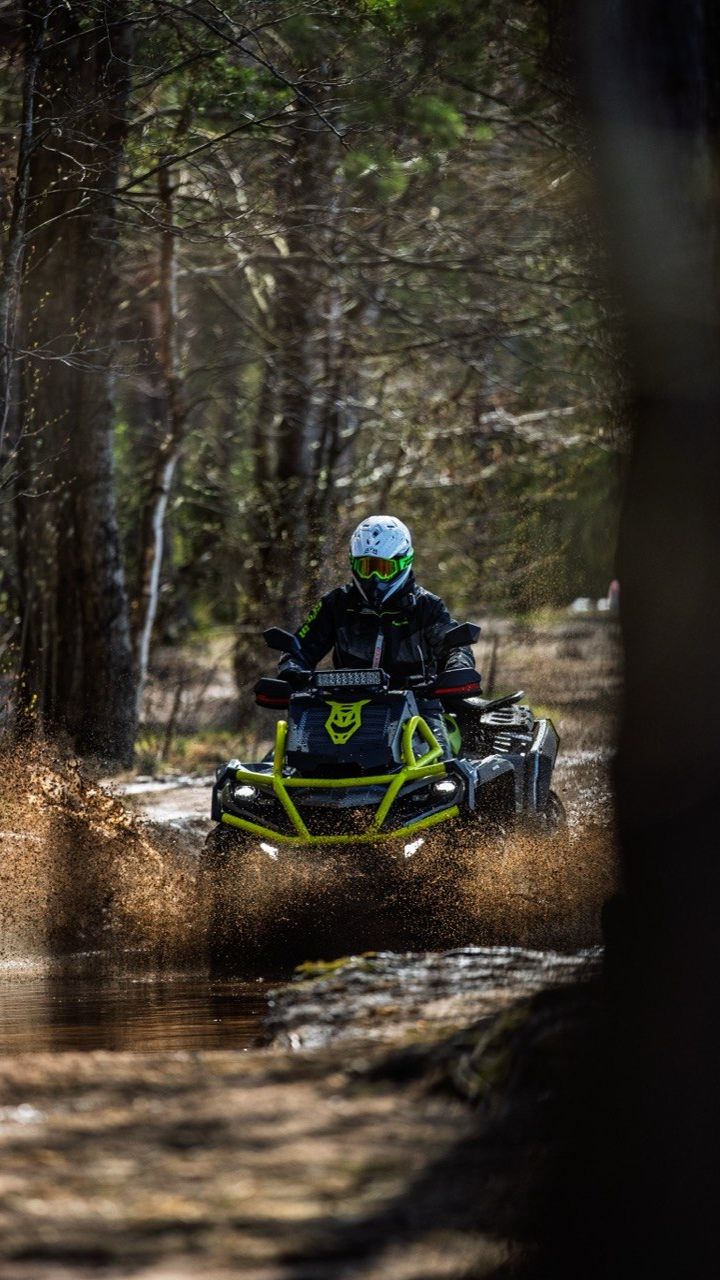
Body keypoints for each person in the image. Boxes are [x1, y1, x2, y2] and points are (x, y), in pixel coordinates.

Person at [278, 515, 480, 754]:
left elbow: (454, 645)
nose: (374, 578)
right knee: (289, 757)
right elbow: (301, 646)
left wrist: (456, 668)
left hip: (417, 706)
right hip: (338, 707)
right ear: (353, 564)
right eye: (366, 567)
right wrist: (292, 670)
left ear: (404, 562)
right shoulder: (335, 604)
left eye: (384, 569)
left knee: (441, 764)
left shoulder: (427, 606)